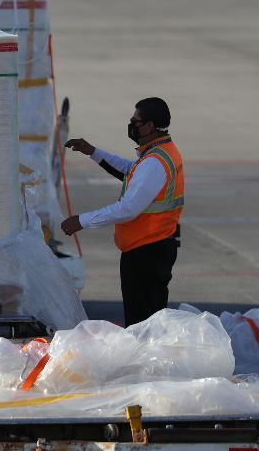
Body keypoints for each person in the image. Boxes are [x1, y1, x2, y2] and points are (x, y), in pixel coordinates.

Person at [60, 97, 184, 327]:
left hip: (147, 252)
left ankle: (146, 361)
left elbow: (127, 209)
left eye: (135, 121)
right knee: (147, 320)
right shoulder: (159, 152)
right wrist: (92, 152)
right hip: (152, 246)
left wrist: (82, 221)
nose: (131, 125)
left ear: (149, 126)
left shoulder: (155, 161)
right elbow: (131, 172)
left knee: (142, 322)